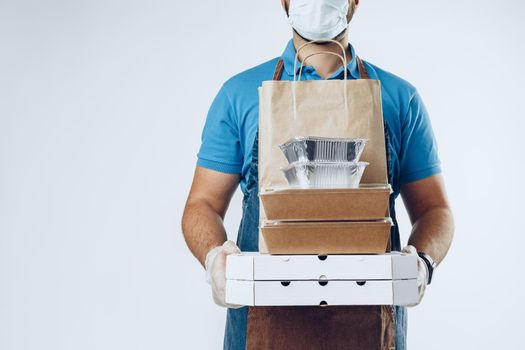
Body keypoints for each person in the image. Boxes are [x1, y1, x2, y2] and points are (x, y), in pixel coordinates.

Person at [182, 0, 455, 348]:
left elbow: (436, 210)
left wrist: (422, 261)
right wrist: (214, 257)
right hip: (265, 320)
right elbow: (202, 203)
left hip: (368, 323)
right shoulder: (239, 94)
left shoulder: (400, 98)